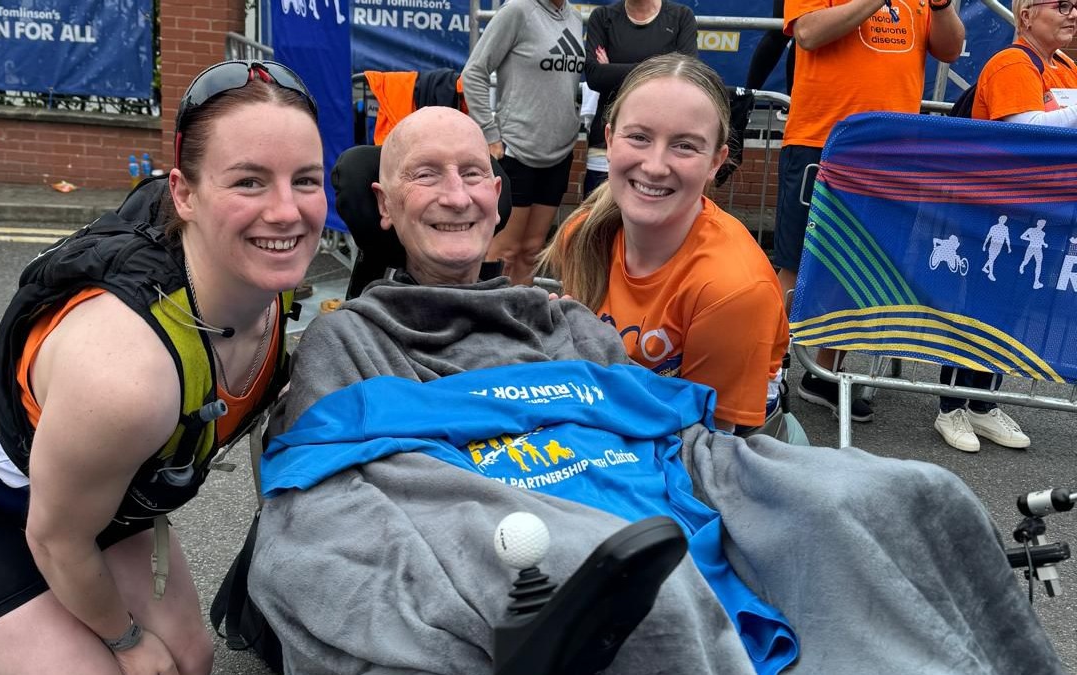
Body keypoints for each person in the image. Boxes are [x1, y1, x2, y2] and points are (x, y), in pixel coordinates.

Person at [247, 105, 1064, 675]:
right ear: (385, 205)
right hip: (549, 559)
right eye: (426, 175)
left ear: (498, 194)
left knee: (915, 491)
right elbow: (330, 500)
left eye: (472, 173)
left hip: (661, 521)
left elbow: (684, 441)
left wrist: (777, 486)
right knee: (641, 587)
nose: (456, 195)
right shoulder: (351, 339)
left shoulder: (566, 323)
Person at [0, 60, 326, 675]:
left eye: (305, 180)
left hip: (77, 483)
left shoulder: (266, 287)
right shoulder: (126, 376)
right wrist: (126, 642)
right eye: (249, 181)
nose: (286, 211)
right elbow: (57, 539)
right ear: (184, 194)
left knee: (189, 662)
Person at [538, 54, 793, 439]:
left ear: (716, 162)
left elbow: (709, 446)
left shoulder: (732, 290)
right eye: (639, 137)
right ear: (609, 141)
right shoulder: (583, 234)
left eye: (685, 146)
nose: (655, 166)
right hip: (612, 421)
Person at [774, 0, 964, 422]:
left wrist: (942, 6)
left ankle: (825, 374)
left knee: (859, 267)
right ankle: (763, 368)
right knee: (796, 264)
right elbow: (808, 33)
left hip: (892, 150)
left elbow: (950, 49)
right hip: (823, 138)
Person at [932, 0, 1074, 452]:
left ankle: (982, 403)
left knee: (1009, 309)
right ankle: (951, 406)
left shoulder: (1065, 67)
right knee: (977, 307)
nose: (1073, 14)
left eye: (1076, 5)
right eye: (1062, 5)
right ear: (1026, 15)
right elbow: (1028, 130)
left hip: (1036, 213)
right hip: (991, 211)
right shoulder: (1012, 62)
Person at [462, 0, 584, 286]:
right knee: (504, 251)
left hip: (559, 153)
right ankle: (489, 312)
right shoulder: (517, 11)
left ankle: (523, 313)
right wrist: (490, 134)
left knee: (532, 251)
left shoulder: (574, 18)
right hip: (517, 151)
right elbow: (474, 72)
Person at [582, 0, 698, 196]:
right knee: (598, 213)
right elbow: (595, 76)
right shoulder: (602, 17)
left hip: (662, 142)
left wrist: (612, 70)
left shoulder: (681, 17)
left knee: (650, 212)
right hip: (608, 138)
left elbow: (684, 76)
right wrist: (663, 68)